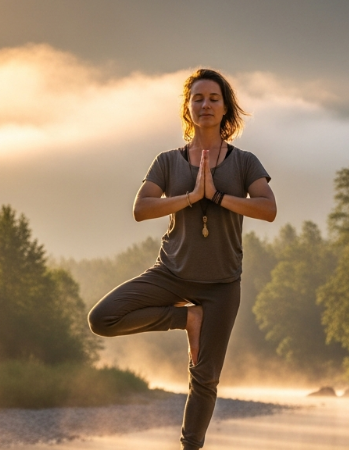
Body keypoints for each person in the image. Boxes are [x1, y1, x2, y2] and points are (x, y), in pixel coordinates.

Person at [87, 68, 276, 450]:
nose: (205, 105)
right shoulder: (167, 161)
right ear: (187, 108)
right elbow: (141, 209)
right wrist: (191, 196)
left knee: (204, 378)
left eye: (214, 99)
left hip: (222, 285)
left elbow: (268, 209)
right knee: (102, 319)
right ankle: (186, 318)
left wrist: (218, 197)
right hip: (171, 273)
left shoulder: (244, 162)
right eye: (198, 98)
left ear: (226, 109)